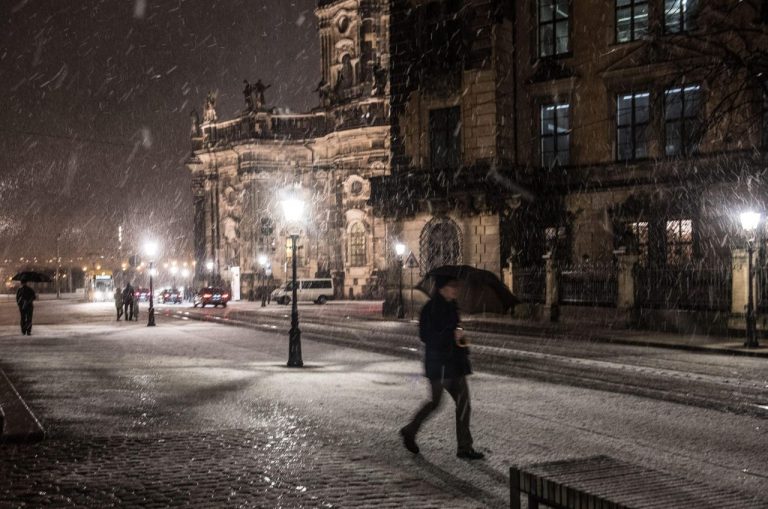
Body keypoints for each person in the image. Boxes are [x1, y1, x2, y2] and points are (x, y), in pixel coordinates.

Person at [399, 275, 484, 460]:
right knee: (435, 403)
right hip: (439, 365)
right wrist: (449, 334)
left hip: (456, 364)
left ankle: (464, 447)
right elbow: (426, 336)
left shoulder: (453, 307)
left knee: (463, 404)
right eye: (452, 286)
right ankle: (410, 430)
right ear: (441, 289)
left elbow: (455, 335)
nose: (456, 289)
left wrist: (461, 338)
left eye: (456, 286)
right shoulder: (430, 309)